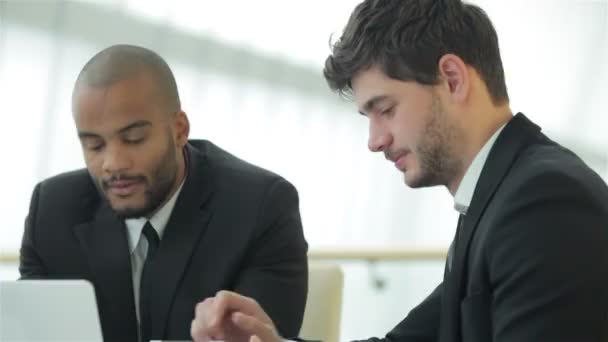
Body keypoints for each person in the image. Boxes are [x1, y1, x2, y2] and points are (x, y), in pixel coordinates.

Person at [189, 0, 608, 341]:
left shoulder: (542, 202)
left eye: (385, 109)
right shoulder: (498, 198)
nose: (375, 140)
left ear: (452, 78)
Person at [19, 44, 309, 342]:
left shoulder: (260, 208)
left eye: (133, 139)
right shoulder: (52, 212)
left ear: (179, 129)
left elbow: (260, 337)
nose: (113, 164)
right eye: (94, 145)